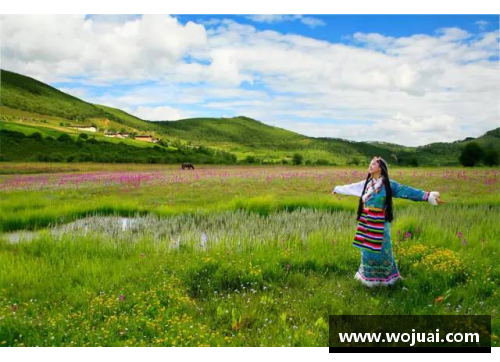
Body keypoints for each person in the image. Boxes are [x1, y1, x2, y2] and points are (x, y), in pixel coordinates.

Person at [332, 157, 444, 287]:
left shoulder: (389, 185)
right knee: (367, 251)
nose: (371, 165)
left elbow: (406, 191)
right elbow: (351, 188)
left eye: (374, 164)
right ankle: (369, 279)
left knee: (383, 249)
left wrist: (428, 196)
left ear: (380, 168)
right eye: (370, 164)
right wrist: (338, 189)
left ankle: (386, 279)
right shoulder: (367, 184)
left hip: (381, 222)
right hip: (367, 221)